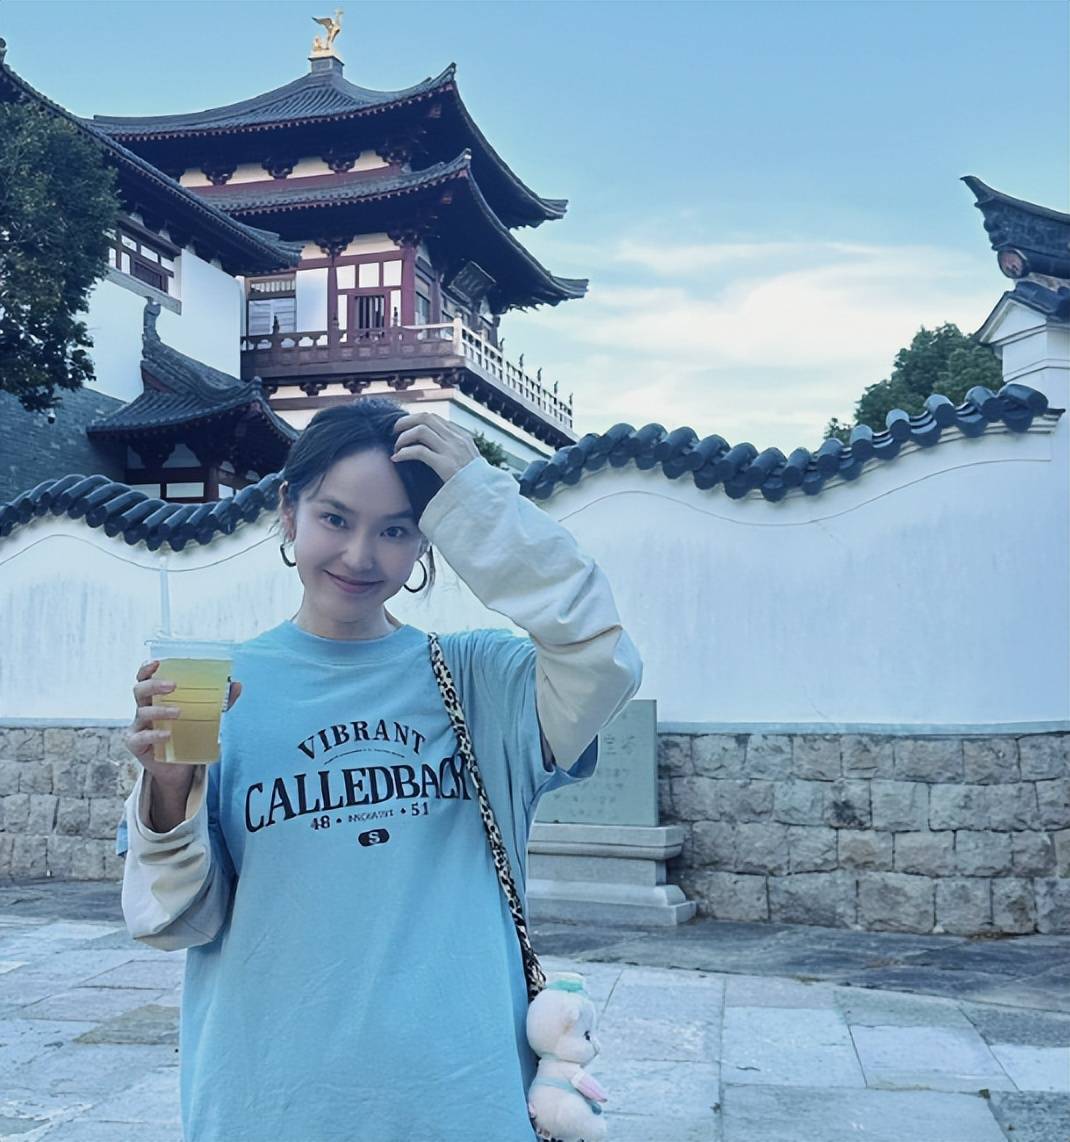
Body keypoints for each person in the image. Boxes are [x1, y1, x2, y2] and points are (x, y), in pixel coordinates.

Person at [115, 397, 643, 1141]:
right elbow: (174, 921)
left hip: (462, 1103)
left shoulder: (482, 682)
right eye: (335, 518)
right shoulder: (218, 690)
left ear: (429, 537)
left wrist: (482, 505)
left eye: (396, 530)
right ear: (287, 511)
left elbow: (602, 655)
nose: (360, 557)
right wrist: (170, 787)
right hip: (271, 1103)